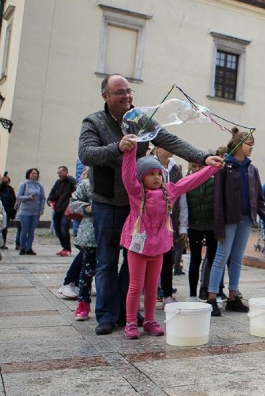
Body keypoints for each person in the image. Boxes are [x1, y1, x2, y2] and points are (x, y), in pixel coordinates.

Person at [78, 74, 221, 336]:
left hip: (139, 207)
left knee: (132, 264)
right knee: (107, 261)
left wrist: (202, 156)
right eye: (120, 92)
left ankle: (126, 313)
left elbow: (170, 140)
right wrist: (117, 147)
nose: (127, 96)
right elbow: (86, 154)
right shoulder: (94, 122)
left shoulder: (139, 120)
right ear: (106, 97)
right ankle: (107, 316)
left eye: (129, 91)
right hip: (109, 203)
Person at [118, 138, 217, 339]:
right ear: (141, 178)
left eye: (158, 174)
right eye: (151, 174)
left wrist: (211, 168)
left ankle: (150, 321)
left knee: (154, 286)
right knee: (136, 286)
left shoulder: (169, 191)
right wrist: (131, 151)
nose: (156, 177)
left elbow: (191, 181)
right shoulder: (136, 192)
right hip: (137, 248)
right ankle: (130, 321)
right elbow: (127, 175)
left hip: (158, 248)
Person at [207, 129, 265, 316]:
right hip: (229, 219)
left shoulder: (252, 169)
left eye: (253, 143)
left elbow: (260, 200)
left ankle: (233, 296)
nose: (252, 147)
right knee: (221, 257)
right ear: (238, 145)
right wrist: (218, 225)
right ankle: (212, 297)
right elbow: (217, 200)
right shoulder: (223, 167)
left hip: (246, 219)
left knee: (237, 259)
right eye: (249, 143)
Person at [151, 146, 188, 308]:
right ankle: (151, 289)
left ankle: (166, 293)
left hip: (169, 222)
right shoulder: (149, 165)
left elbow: (182, 197)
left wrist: (183, 227)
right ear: (158, 149)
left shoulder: (176, 170)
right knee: (151, 258)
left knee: (167, 259)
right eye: (166, 146)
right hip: (152, 221)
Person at [66, 168, 96, 321]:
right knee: (87, 270)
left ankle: (107, 303)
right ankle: (83, 303)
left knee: (106, 271)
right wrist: (87, 208)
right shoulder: (86, 183)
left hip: (110, 233)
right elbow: (73, 203)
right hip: (90, 234)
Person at [186, 161, 218, 300]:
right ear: (189, 167)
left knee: (213, 259)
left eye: (200, 166)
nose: (197, 169)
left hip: (211, 226)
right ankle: (192, 294)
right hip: (194, 226)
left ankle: (212, 291)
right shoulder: (187, 182)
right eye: (194, 166)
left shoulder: (214, 182)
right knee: (195, 259)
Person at [47, 166, 77, 257]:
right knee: (57, 230)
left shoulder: (71, 182)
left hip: (66, 210)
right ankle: (64, 247)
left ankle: (67, 249)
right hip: (57, 209)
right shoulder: (58, 182)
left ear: (66, 172)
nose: (59, 175)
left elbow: (76, 184)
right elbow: (53, 192)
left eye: (60, 173)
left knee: (64, 229)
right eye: (58, 173)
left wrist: (69, 178)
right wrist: (49, 199)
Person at [15, 168, 46, 255]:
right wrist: (28, 197)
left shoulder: (39, 186)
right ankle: (22, 247)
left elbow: (43, 198)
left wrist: (41, 209)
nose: (35, 175)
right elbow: (19, 197)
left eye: (36, 174)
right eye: (33, 173)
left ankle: (29, 248)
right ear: (28, 174)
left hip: (35, 211)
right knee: (24, 230)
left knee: (32, 230)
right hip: (25, 210)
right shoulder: (23, 184)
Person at [0, 174, 16, 249]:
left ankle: (3, 243)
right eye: (5, 181)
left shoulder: (10, 189)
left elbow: (14, 199)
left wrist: (13, 209)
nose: (6, 183)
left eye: (8, 181)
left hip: (7, 211)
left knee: (5, 227)